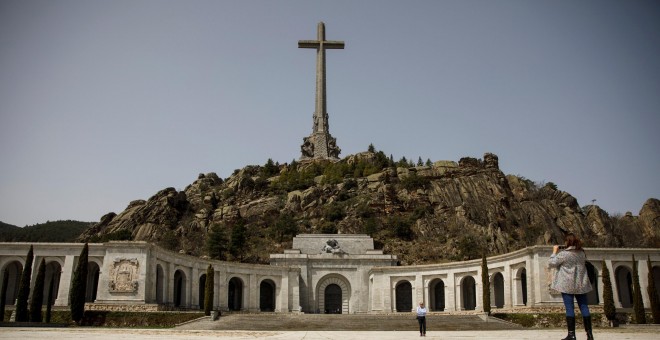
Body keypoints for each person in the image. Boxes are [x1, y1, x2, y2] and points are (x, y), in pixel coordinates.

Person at [549, 233, 594, 340]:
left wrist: (554, 252)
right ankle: (590, 335)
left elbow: (551, 263)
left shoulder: (564, 254)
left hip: (567, 285)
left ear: (567, 242)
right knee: (584, 307)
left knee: (570, 308)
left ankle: (571, 335)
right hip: (581, 284)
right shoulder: (582, 253)